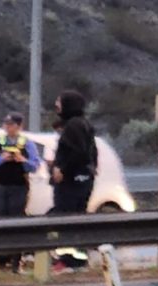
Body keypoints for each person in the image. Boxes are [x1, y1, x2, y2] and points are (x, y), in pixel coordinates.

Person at [0, 112, 41, 273]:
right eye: (5, 124)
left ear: (19, 126)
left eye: (11, 124)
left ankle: (16, 264)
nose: (7, 127)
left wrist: (22, 160)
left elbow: (35, 166)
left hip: (19, 187)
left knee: (17, 223)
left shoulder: (26, 143)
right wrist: (2, 158)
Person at [51, 90, 97, 272]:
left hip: (72, 182)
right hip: (81, 180)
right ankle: (75, 260)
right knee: (76, 218)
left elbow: (78, 152)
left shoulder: (73, 126)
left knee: (67, 219)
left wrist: (62, 169)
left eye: (59, 102)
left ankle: (69, 261)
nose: (56, 105)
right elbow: (91, 152)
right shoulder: (83, 124)